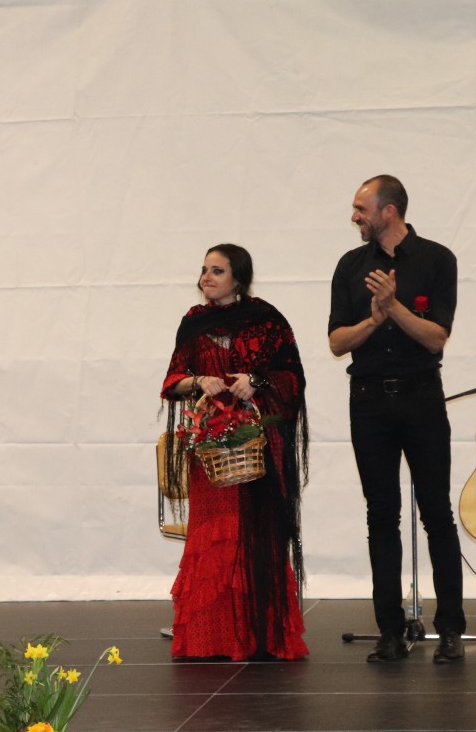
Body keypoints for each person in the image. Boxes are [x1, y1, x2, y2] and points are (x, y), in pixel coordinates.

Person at [328, 175, 466, 663]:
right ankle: (389, 629)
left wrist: (393, 306)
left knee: (437, 514)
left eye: (361, 208)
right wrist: (373, 319)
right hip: (368, 401)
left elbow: (436, 337)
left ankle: (450, 629)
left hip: (421, 397)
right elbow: (336, 342)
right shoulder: (350, 265)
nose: (354, 217)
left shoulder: (437, 259)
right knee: (381, 515)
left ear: (389, 211)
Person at [161, 244, 309, 660]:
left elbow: (293, 378)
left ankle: (259, 636)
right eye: (204, 269)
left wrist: (255, 381)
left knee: (257, 537)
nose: (206, 278)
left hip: (256, 450)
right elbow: (172, 381)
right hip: (212, 452)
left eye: (217, 271)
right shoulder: (193, 322)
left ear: (238, 278)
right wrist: (199, 382)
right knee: (214, 536)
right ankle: (212, 638)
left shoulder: (267, 320)